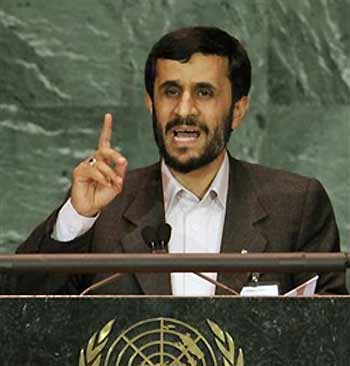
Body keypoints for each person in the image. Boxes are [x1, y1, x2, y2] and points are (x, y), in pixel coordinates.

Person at [6, 26, 347, 295]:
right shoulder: (103, 208)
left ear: (238, 110)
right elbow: (19, 313)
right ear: (151, 104)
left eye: (204, 92)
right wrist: (77, 218)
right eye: (170, 91)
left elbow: (330, 335)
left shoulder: (296, 206)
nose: (184, 110)